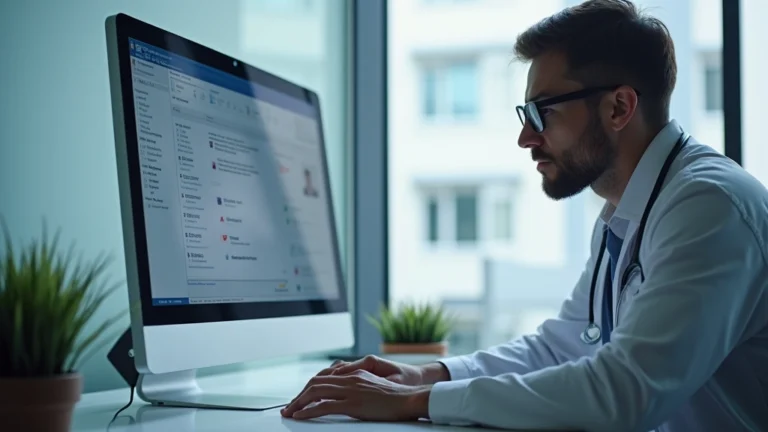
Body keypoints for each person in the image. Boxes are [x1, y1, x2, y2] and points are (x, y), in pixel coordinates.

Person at [281, 0, 768, 430]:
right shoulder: (628, 211)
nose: (526, 139)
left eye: (543, 114)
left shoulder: (709, 206)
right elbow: (562, 347)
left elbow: (623, 393)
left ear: (619, 107)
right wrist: (428, 374)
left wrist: (417, 401)